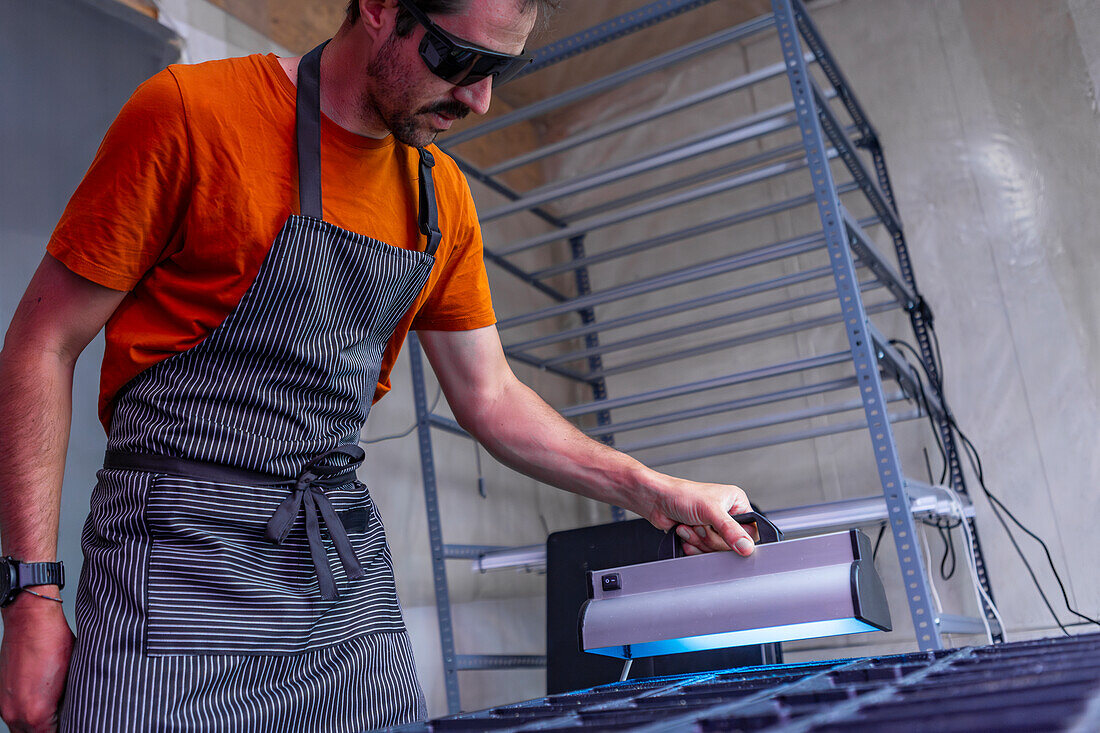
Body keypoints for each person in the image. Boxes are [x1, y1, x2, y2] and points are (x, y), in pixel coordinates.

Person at [0, 0, 757, 730]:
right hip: (178, 575)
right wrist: (29, 594)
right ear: (379, 7)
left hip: (341, 587)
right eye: (459, 59)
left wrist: (652, 490)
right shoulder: (194, 114)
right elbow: (42, 343)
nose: (481, 99)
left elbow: (490, 395)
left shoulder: (443, 200)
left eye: (502, 71)